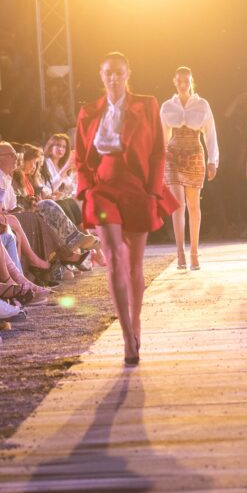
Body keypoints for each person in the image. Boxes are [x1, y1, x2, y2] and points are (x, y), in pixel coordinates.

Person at [75, 51, 177, 365]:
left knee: (134, 265)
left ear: (128, 73)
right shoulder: (89, 112)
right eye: (108, 72)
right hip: (102, 189)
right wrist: (86, 190)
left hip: (136, 187)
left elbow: (158, 151)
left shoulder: (147, 105)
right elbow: (80, 157)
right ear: (101, 75)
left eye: (119, 72)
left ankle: (135, 322)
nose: (113, 78)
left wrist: (152, 191)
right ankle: (126, 338)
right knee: (114, 259)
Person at [161, 66, 219, 271]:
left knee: (194, 206)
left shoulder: (202, 105)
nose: (183, 84)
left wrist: (213, 161)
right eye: (180, 81)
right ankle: (180, 253)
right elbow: (162, 136)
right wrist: (161, 158)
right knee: (178, 205)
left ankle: (194, 252)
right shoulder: (167, 106)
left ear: (191, 81)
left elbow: (210, 134)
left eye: (186, 80)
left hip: (194, 154)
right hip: (173, 157)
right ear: (174, 82)